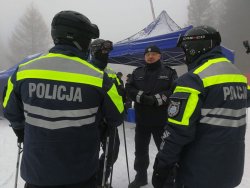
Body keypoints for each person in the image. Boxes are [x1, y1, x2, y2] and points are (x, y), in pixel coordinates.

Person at [2, 10, 124, 188]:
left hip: (36, 174)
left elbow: (10, 111)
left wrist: (22, 131)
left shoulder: (23, 72)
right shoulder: (99, 78)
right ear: (80, 39)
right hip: (80, 175)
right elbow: (117, 116)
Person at [152, 25, 248, 188]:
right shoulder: (237, 75)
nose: (184, 56)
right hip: (231, 168)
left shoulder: (193, 80)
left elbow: (177, 130)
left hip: (199, 171)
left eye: (185, 50)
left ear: (195, 47)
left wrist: (163, 164)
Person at [126, 45, 178, 188]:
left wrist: (156, 99)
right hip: (142, 121)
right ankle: (140, 177)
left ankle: (167, 181)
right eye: (148, 55)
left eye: (154, 54)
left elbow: (175, 90)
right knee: (140, 152)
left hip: (162, 121)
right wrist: (142, 97)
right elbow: (129, 89)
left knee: (165, 153)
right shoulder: (137, 72)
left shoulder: (169, 72)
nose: (150, 56)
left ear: (160, 56)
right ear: (144, 57)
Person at [89, 38, 122, 187]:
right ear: (94, 51)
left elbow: (120, 92)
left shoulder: (111, 73)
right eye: (103, 51)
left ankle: (101, 178)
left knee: (112, 153)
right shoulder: (86, 69)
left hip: (110, 122)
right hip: (91, 122)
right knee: (89, 154)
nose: (106, 54)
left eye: (107, 52)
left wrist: (124, 96)